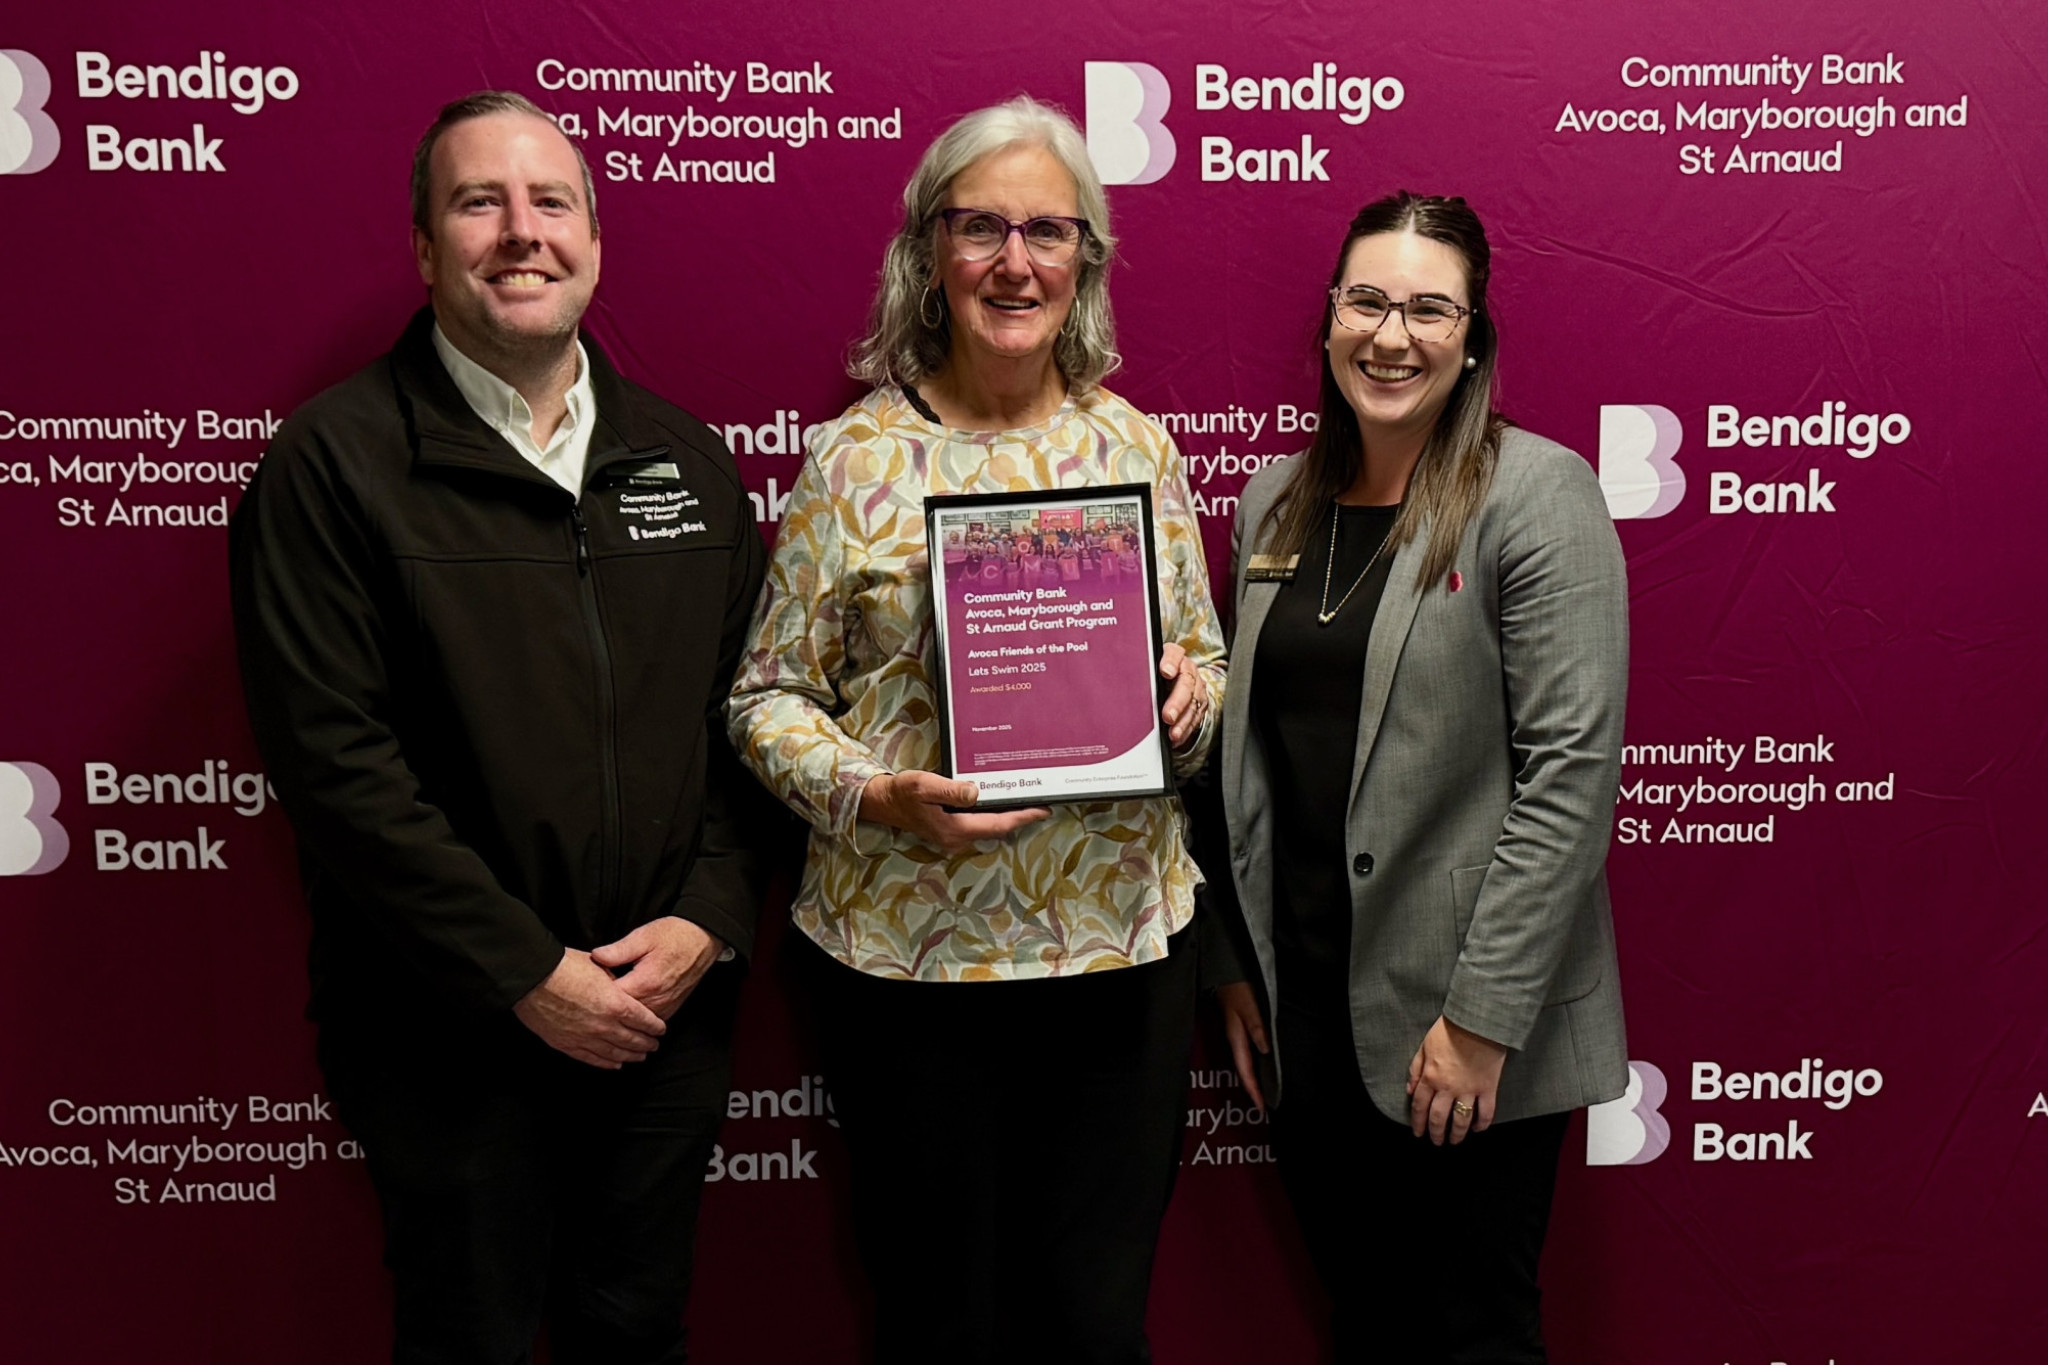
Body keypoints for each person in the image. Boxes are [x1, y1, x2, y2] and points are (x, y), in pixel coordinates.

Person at [229, 90, 765, 1364]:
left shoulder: (684, 467)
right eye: (480, 203)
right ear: (423, 247)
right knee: (466, 1337)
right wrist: (527, 974)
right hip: (443, 1029)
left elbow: (750, 722)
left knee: (635, 1332)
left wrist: (709, 915)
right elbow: (335, 767)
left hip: (658, 1015)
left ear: (594, 236)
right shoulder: (333, 465)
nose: (521, 233)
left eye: (551, 202)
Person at [725, 96, 1224, 1365]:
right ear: (927, 253)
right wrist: (877, 793)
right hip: (911, 969)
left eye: (1048, 232)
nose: (1016, 262)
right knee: (939, 1322)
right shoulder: (853, 462)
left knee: (1095, 1325)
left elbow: (1205, 668)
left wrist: (1187, 697)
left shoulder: (1137, 448)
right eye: (981, 227)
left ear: (1084, 265)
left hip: (1116, 959)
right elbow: (763, 699)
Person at [1209, 192, 1629, 1363]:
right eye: (1366, 301)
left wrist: (1481, 1024)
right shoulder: (1269, 505)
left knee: (1469, 1332)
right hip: (1304, 1013)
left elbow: (1569, 779)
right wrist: (1233, 967)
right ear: (1329, 318)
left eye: (1428, 309)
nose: (1390, 336)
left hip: (1458, 1033)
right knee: (1369, 1325)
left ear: (1473, 336)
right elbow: (1245, 764)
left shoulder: (1533, 496)